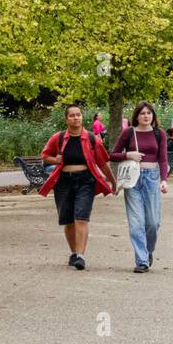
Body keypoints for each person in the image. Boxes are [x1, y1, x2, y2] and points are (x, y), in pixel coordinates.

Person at [39, 104, 115, 271]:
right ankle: (73, 252)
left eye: (78, 115)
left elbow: (102, 163)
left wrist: (112, 181)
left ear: (82, 117)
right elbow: (45, 155)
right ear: (66, 119)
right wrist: (55, 160)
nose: (76, 118)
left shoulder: (92, 138)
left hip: (85, 181)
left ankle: (80, 256)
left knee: (81, 217)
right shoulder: (58, 138)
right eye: (72, 115)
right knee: (68, 220)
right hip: (63, 182)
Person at [109, 101, 169, 274]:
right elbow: (112, 154)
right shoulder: (129, 132)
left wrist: (164, 180)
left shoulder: (159, 134)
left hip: (152, 178)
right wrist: (128, 154)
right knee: (136, 223)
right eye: (142, 113)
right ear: (136, 116)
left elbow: (163, 159)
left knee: (153, 222)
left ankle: (148, 250)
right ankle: (141, 260)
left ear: (153, 116)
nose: (146, 116)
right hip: (132, 180)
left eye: (149, 113)